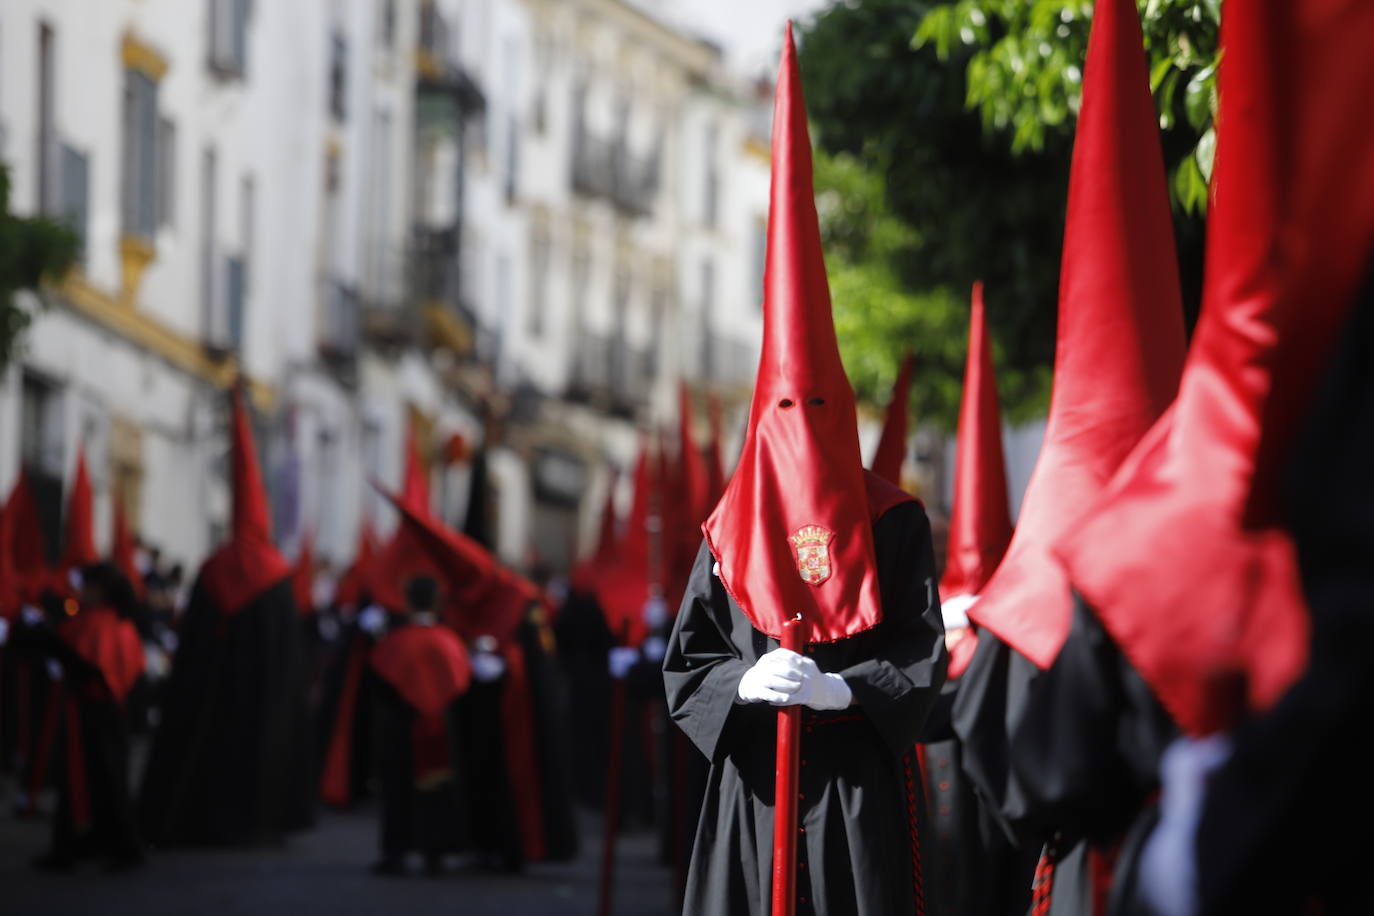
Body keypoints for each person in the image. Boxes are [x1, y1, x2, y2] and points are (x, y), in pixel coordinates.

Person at [662, 25, 946, 915]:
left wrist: (841, 688)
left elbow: (922, 654)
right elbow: (688, 663)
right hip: (754, 792)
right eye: (785, 409)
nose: (801, 426)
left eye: (817, 407)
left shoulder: (895, 519)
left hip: (855, 795)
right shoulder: (729, 528)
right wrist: (740, 683)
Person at [139, 387, 314, 846]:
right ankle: (262, 821)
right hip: (265, 699)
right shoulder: (277, 575)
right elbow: (288, 652)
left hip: (214, 693)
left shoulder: (215, 568)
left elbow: (195, 642)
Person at [20, 563, 145, 870]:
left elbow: (87, 664)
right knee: (87, 781)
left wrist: (47, 639)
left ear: (100, 590)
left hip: (97, 715)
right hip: (99, 713)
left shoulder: (102, 623)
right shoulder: (115, 622)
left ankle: (119, 847)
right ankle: (78, 846)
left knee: (104, 782)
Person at [368, 574, 471, 877]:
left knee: (397, 789)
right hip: (440, 726)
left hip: (402, 724)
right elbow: (462, 683)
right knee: (437, 788)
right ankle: (435, 853)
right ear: (437, 602)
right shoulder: (449, 640)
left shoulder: (396, 641)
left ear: (407, 601)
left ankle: (395, 852)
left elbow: (379, 683)